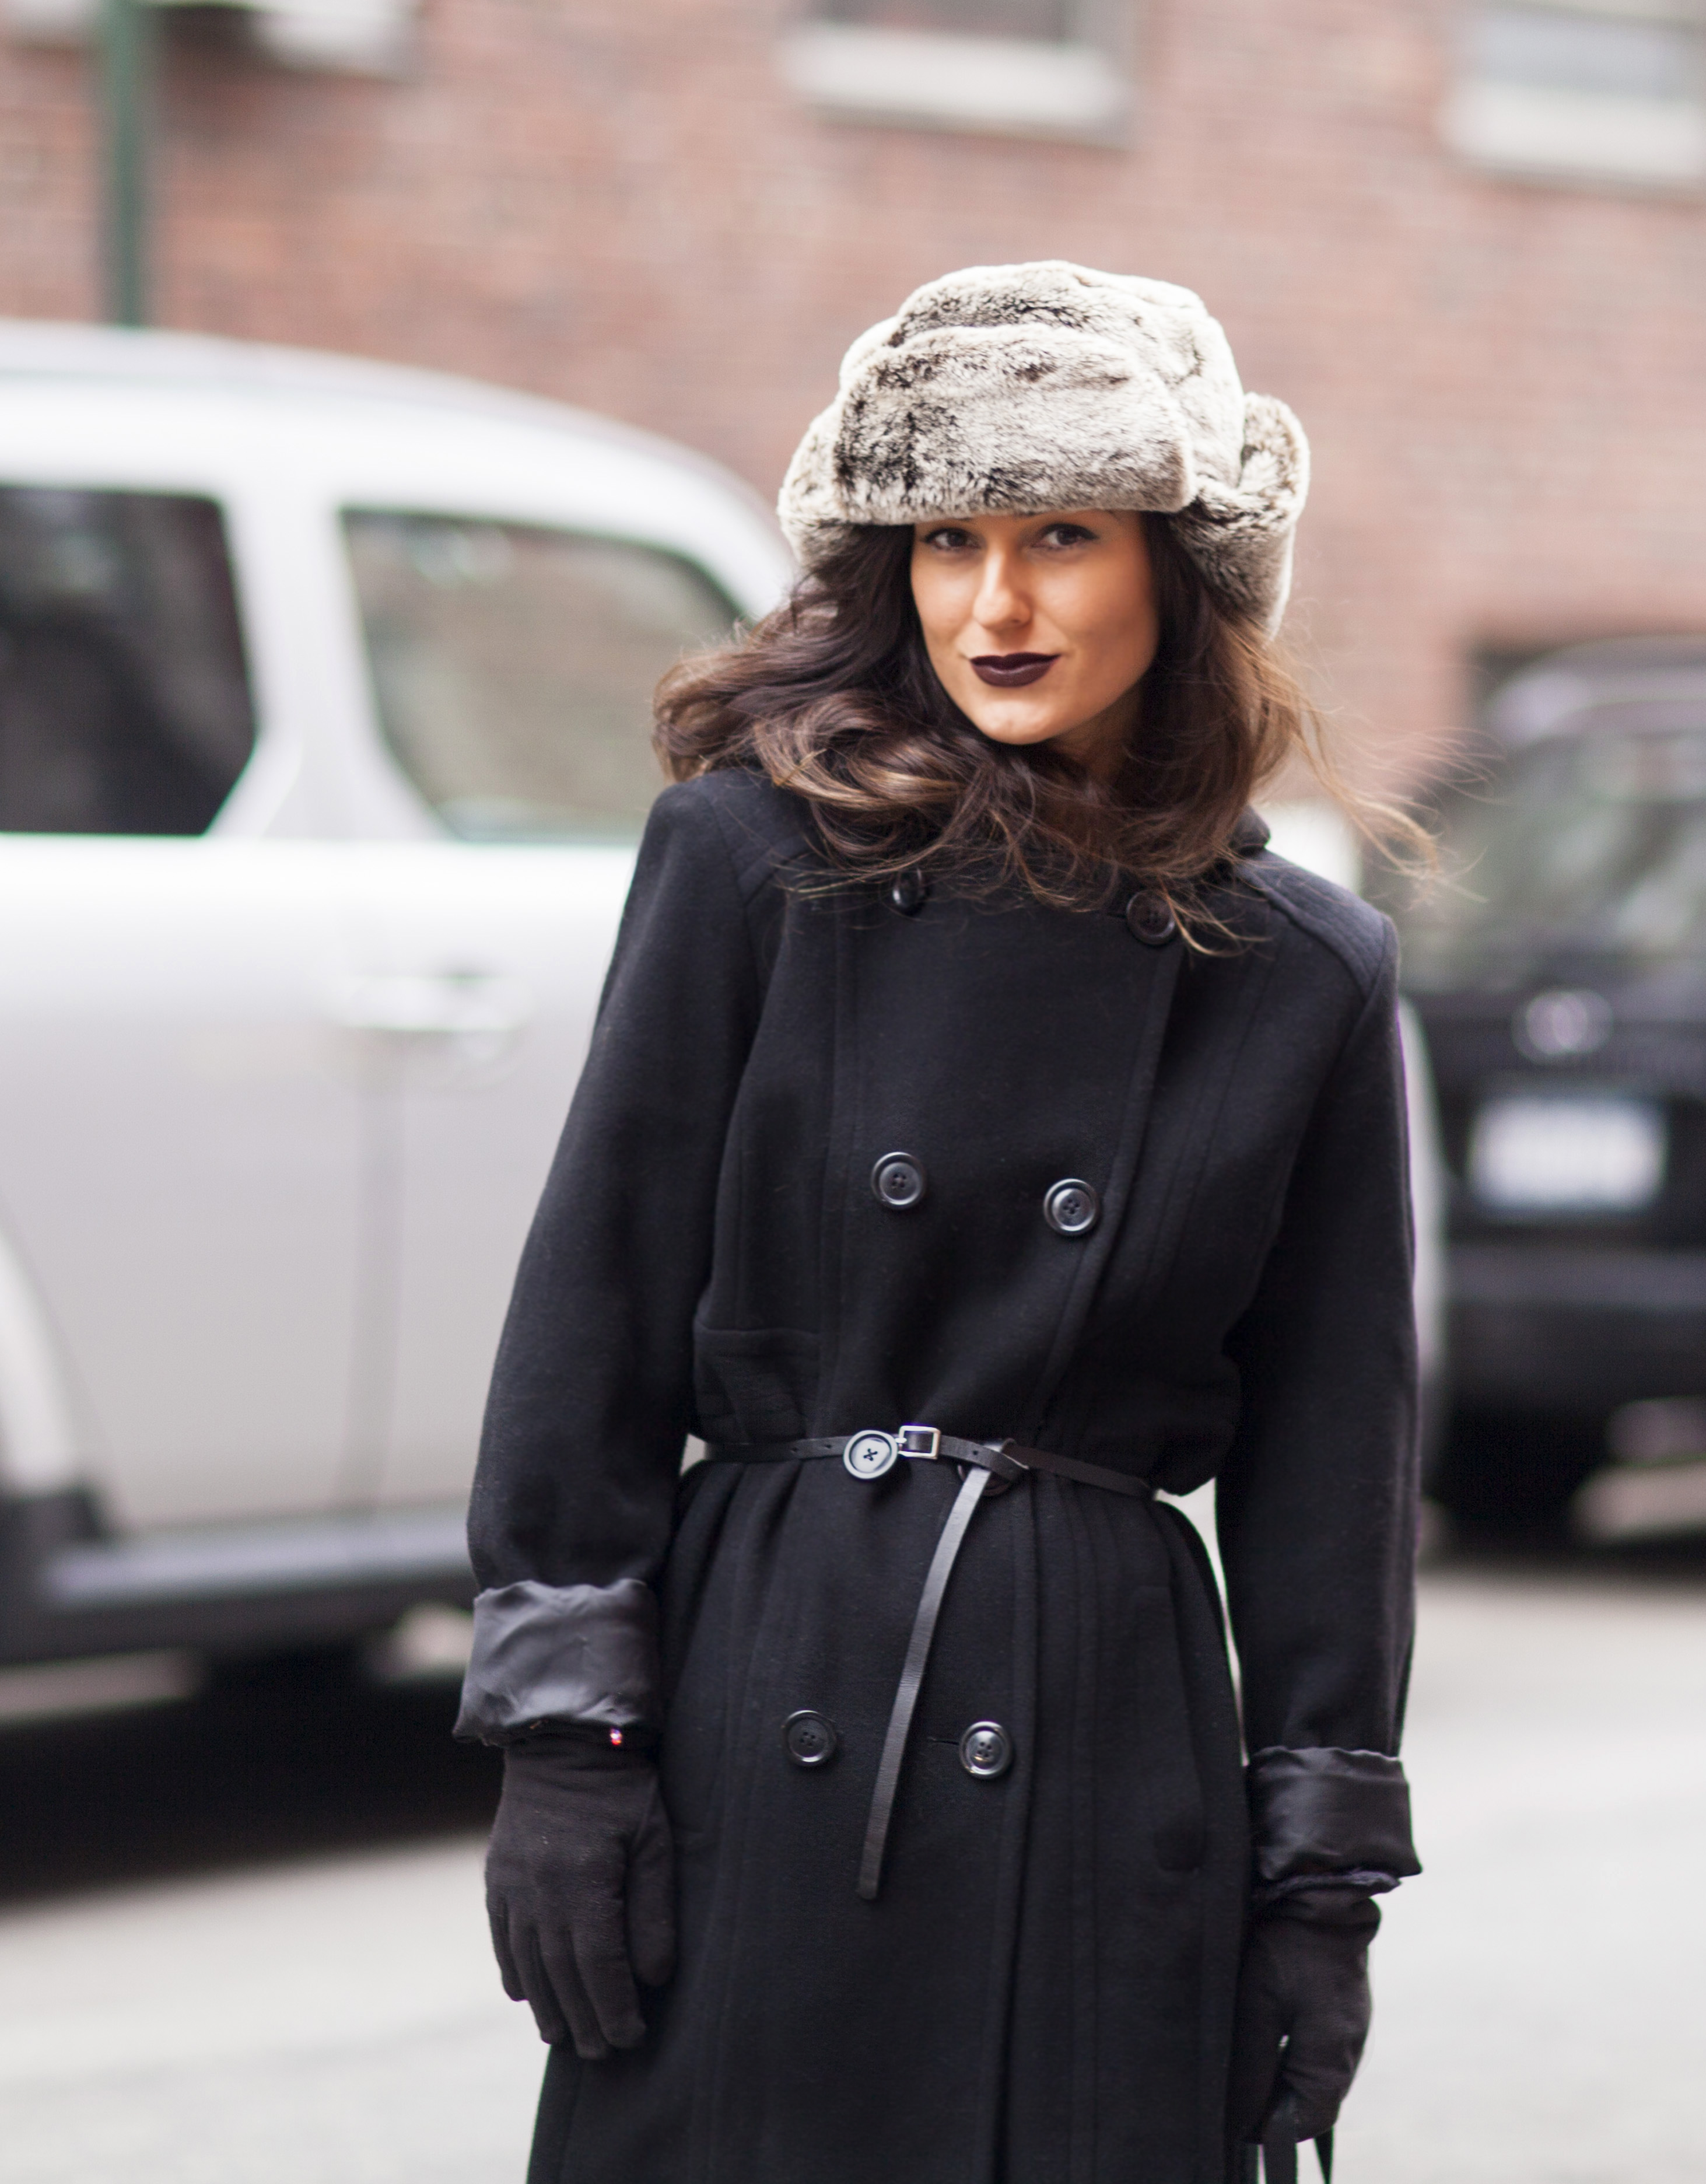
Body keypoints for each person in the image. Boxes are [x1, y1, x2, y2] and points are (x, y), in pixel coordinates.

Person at [453, 261, 1424, 2184]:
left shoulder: (1300, 967)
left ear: (1178, 565)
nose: (996, 603)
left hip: (1101, 1731)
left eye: (1060, 535)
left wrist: (1320, 1886)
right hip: (773, 1685)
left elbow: (1334, 1464)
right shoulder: (748, 861)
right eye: (948, 538)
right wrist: (569, 1736)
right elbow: (600, 1297)